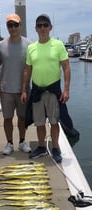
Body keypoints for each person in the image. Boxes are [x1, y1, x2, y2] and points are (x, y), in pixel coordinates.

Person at [21, 14, 71, 163]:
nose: (42, 28)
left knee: (55, 121)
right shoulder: (31, 47)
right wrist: (24, 90)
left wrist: (66, 89)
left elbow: (66, 68)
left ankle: (55, 148)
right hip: (37, 91)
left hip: (53, 91)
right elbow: (27, 70)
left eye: (45, 25)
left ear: (50, 27)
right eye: (39, 25)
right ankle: (42, 147)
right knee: (39, 122)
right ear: (36, 28)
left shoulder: (58, 45)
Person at [0, 13, 31, 155]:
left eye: (15, 24)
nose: (13, 28)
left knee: (22, 118)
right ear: (7, 27)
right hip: (6, 90)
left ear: (20, 25)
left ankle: (22, 141)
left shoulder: (29, 45)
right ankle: (9, 142)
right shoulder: (1, 45)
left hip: (23, 90)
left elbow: (31, 67)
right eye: (10, 25)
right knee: (7, 118)